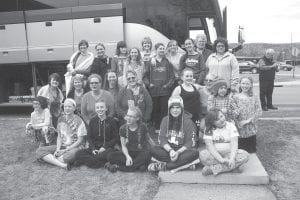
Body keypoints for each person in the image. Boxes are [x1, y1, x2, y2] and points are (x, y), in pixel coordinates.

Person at [148, 96, 199, 171]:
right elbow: (162, 139)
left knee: (195, 153)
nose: (175, 110)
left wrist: (178, 153)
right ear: (169, 109)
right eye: (172, 108)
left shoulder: (188, 122)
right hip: (168, 150)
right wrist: (171, 151)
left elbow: (190, 142)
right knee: (153, 149)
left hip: (182, 151)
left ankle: (166, 166)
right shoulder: (165, 120)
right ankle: (185, 165)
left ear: (182, 109)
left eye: (178, 108)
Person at [35, 99, 87, 170]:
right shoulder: (60, 119)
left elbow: (80, 141)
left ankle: (50, 159)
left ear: (74, 108)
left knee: (68, 156)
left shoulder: (79, 121)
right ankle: (63, 165)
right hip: (63, 146)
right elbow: (59, 136)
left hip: (75, 147)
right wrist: (57, 149)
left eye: (69, 106)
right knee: (39, 151)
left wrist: (65, 150)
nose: (67, 108)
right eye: (65, 107)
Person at [199, 108, 249, 176]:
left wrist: (232, 158)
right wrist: (220, 159)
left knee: (245, 155)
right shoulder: (208, 129)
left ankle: (213, 169)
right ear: (212, 122)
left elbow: (234, 143)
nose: (221, 119)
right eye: (217, 119)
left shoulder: (231, 126)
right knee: (203, 155)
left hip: (229, 153)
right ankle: (234, 167)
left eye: (221, 116)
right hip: (214, 155)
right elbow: (209, 146)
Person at [73, 101, 119, 168]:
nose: (100, 109)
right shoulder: (92, 121)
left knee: (108, 155)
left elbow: (115, 138)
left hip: (107, 149)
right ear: (95, 109)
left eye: (102, 107)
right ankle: (103, 163)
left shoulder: (112, 121)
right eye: (97, 107)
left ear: (106, 108)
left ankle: (86, 161)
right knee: (78, 154)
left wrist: (104, 147)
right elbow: (89, 136)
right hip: (95, 148)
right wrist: (93, 149)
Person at [106, 107, 151, 172]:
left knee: (147, 154)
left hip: (140, 153)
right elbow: (123, 146)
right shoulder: (122, 128)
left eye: (132, 116)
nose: (128, 118)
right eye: (128, 115)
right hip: (128, 153)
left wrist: (154, 150)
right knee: (110, 156)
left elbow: (149, 139)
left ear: (137, 118)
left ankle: (118, 167)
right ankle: (137, 166)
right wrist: (128, 157)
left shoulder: (143, 126)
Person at [144, 43, 175, 131]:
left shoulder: (167, 62)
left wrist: (167, 85)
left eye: (163, 48)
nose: (162, 50)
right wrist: (149, 84)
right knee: (155, 109)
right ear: (156, 50)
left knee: (164, 109)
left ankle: (164, 127)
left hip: (165, 91)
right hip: (154, 91)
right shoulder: (151, 62)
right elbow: (145, 76)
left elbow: (172, 76)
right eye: (160, 48)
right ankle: (157, 127)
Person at [231, 76, 262, 153]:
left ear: (251, 85)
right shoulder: (235, 97)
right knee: (240, 152)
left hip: (251, 128)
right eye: (243, 83)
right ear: (240, 84)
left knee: (251, 152)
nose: (245, 86)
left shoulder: (254, 96)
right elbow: (233, 113)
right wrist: (235, 116)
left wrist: (247, 121)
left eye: (247, 83)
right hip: (240, 129)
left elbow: (259, 111)